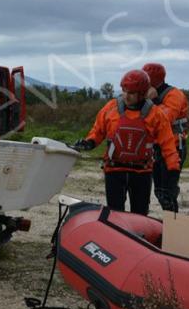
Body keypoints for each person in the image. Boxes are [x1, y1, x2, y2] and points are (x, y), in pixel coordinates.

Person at [74, 69, 180, 215]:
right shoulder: (111, 108)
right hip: (114, 171)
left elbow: (168, 144)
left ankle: (137, 237)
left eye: (131, 93)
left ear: (142, 93)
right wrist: (89, 142)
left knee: (140, 214)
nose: (126, 96)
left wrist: (173, 170)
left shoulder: (155, 114)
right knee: (115, 214)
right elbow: (98, 131)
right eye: (124, 91)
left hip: (142, 172)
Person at [142, 63, 189, 212]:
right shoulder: (144, 95)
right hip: (154, 148)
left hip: (174, 148)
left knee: (166, 194)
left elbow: (165, 118)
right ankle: (170, 226)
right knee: (158, 192)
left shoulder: (175, 95)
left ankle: (174, 228)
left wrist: (153, 102)